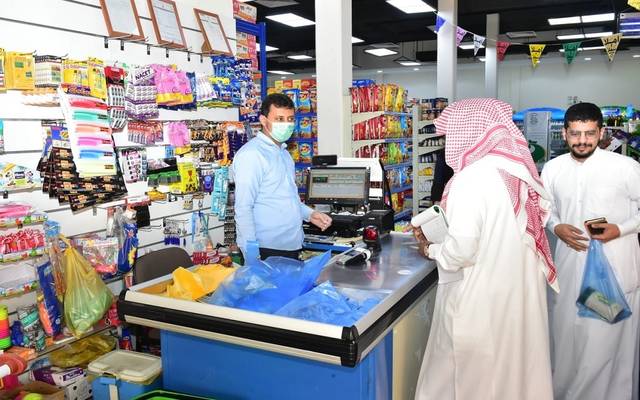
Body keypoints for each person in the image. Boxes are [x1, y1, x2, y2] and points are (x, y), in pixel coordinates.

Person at [414, 98, 557, 400]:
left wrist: (430, 249)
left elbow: (461, 250)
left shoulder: (471, 179)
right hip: (515, 297)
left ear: (469, 131)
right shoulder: (516, 171)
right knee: (513, 377)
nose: (448, 142)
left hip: (480, 299)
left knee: (469, 381)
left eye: (451, 133)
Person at [540, 102, 640, 400]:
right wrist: (556, 226)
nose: (582, 141)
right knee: (567, 339)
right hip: (569, 267)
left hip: (614, 272)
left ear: (601, 132)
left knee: (607, 343)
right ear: (564, 133)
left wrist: (620, 229)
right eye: (575, 134)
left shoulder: (625, 167)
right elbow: (545, 209)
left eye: (589, 133)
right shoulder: (553, 168)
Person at [231, 93, 332, 260]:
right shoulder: (252, 155)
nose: (286, 124)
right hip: (266, 249)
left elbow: (286, 199)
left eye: (290, 119)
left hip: (291, 245)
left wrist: (310, 215)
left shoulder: (284, 153)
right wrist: (251, 254)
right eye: (279, 119)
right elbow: (243, 208)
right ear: (263, 120)